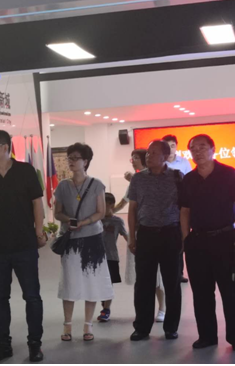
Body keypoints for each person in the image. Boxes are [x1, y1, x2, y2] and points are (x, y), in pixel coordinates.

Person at [0, 130, 47, 363]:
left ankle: (35, 344)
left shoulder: (26, 171)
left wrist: (38, 231)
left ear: (5, 147)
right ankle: (3, 344)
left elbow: (37, 203)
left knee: (32, 296)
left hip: (24, 245)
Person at [180, 134, 235, 352]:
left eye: (202, 147)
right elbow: (185, 211)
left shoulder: (228, 173)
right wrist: (186, 239)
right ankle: (207, 336)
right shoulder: (188, 179)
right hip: (197, 241)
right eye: (193, 149)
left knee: (230, 291)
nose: (197, 152)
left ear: (213, 149)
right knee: (201, 293)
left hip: (224, 239)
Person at [54, 143, 112, 342]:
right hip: (71, 240)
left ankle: (88, 325)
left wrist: (83, 222)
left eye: (75, 158)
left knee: (91, 281)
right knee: (70, 281)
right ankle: (67, 325)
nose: (71, 161)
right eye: (69, 158)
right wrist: (70, 221)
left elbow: (101, 212)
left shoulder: (96, 184)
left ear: (85, 161)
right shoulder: (62, 186)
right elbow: (57, 212)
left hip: (92, 239)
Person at [128, 140, 182, 341]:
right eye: (148, 153)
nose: (148, 156)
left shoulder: (177, 177)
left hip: (171, 234)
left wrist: (184, 236)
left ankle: (171, 327)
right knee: (144, 283)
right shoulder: (138, 178)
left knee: (172, 282)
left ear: (165, 156)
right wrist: (132, 237)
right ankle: (142, 327)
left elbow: (186, 208)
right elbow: (132, 209)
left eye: (153, 153)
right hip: (146, 234)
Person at [114, 148, 166, 322]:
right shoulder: (136, 180)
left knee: (158, 274)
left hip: (156, 231)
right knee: (143, 275)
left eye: (136, 157)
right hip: (139, 230)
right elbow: (126, 203)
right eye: (132, 158)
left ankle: (162, 308)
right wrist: (108, 212)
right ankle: (144, 312)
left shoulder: (160, 178)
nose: (133, 160)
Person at [163, 135, 191, 284]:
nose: (170, 149)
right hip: (163, 208)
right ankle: (167, 272)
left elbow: (190, 182)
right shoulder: (159, 164)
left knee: (180, 240)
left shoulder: (184, 163)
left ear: (176, 146)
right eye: (167, 146)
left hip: (180, 207)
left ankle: (179, 273)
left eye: (173, 145)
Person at [97, 193, 128, 322]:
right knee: (100, 283)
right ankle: (104, 302)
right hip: (96, 257)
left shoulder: (117, 221)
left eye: (104, 204)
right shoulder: (96, 220)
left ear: (111, 205)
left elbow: (126, 236)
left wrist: (135, 246)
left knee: (108, 283)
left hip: (111, 256)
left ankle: (106, 309)